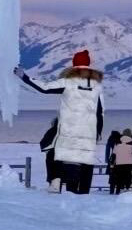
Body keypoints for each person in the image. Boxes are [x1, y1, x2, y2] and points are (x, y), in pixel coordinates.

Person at [14, 49, 104, 194]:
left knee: (57, 154)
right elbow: (100, 112)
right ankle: (84, 195)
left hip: (68, 130)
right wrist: (98, 133)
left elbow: (44, 88)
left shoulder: (67, 82)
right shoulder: (97, 87)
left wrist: (24, 77)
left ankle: (56, 181)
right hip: (88, 133)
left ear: (74, 66)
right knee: (85, 165)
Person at [38, 117, 62, 191]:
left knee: (53, 174)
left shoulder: (51, 131)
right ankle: (56, 189)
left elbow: (43, 143)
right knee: (58, 174)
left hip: (52, 156)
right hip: (58, 156)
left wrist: (47, 150)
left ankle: (53, 189)